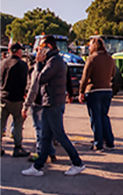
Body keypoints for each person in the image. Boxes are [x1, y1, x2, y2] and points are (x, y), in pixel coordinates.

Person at [21, 35, 85, 176]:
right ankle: (38, 166)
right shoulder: (54, 60)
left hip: (53, 102)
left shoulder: (54, 61)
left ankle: (77, 162)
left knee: (59, 134)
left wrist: (38, 63)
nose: (38, 50)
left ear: (48, 47)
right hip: (50, 101)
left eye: (41, 47)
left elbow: (41, 78)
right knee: (45, 135)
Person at [79, 37, 116, 152]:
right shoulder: (110, 59)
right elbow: (114, 74)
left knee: (96, 118)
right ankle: (109, 142)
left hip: (94, 91)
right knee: (104, 116)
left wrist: (81, 91)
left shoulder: (92, 59)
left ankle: (98, 143)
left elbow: (85, 77)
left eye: (90, 45)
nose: (89, 47)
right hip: (107, 90)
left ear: (94, 46)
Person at [0, 42, 30, 157]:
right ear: (18, 51)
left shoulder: (3, 63)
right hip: (16, 98)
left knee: (1, 122)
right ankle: (18, 147)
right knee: (18, 122)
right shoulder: (21, 65)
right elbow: (24, 82)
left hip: (3, 96)